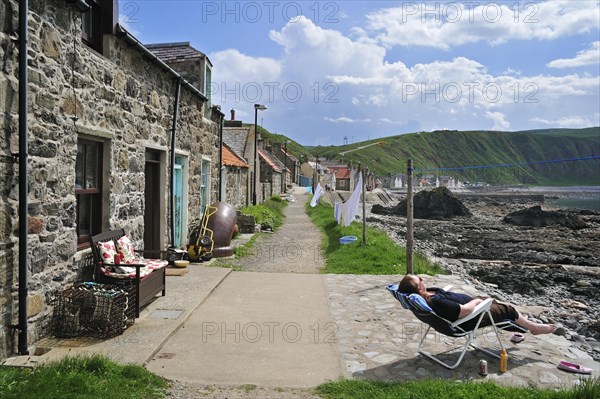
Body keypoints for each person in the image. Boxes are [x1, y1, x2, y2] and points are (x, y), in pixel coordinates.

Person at [398, 274, 557, 335]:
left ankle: (520, 323)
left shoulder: (424, 297)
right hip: (470, 319)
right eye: (419, 279)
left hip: (471, 313)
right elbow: (464, 311)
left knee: (493, 304)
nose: (422, 279)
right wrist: (478, 302)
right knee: (507, 309)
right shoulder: (436, 302)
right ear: (419, 288)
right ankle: (532, 327)